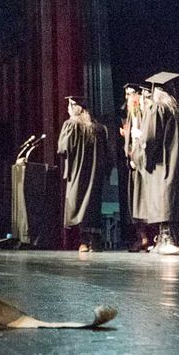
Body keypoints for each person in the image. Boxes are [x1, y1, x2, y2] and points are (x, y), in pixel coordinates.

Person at [133, 77, 179, 254]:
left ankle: (168, 240)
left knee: (164, 199)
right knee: (175, 200)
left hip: (163, 162)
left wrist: (141, 155)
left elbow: (150, 138)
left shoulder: (157, 108)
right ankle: (178, 238)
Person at [57, 96, 109, 252]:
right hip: (95, 173)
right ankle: (96, 240)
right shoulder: (99, 128)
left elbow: (63, 148)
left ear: (74, 108)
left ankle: (84, 241)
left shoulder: (71, 125)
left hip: (78, 172)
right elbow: (107, 154)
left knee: (79, 203)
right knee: (93, 204)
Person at [120, 83, 150, 252]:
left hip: (146, 164)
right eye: (126, 94)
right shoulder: (130, 114)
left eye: (131, 94)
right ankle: (142, 237)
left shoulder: (147, 112)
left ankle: (150, 237)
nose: (128, 98)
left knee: (146, 201)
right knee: (136, 202)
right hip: (134, 163)